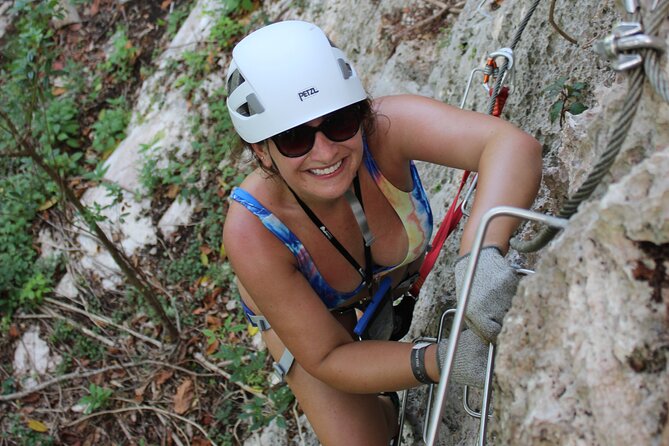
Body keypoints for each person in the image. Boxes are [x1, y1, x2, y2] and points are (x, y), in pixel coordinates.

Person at [222, 20, 542, 445]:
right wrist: (439, 360)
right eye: (294, 138)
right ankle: (384, 403)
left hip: (382, 279)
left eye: (339, 121)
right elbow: (328, 355)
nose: (326, 152)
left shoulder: (384, 129)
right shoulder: (253, 233)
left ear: (361, 110)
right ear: (261, 150)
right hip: (313, 312)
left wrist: (480, 255)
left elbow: (509, 147)